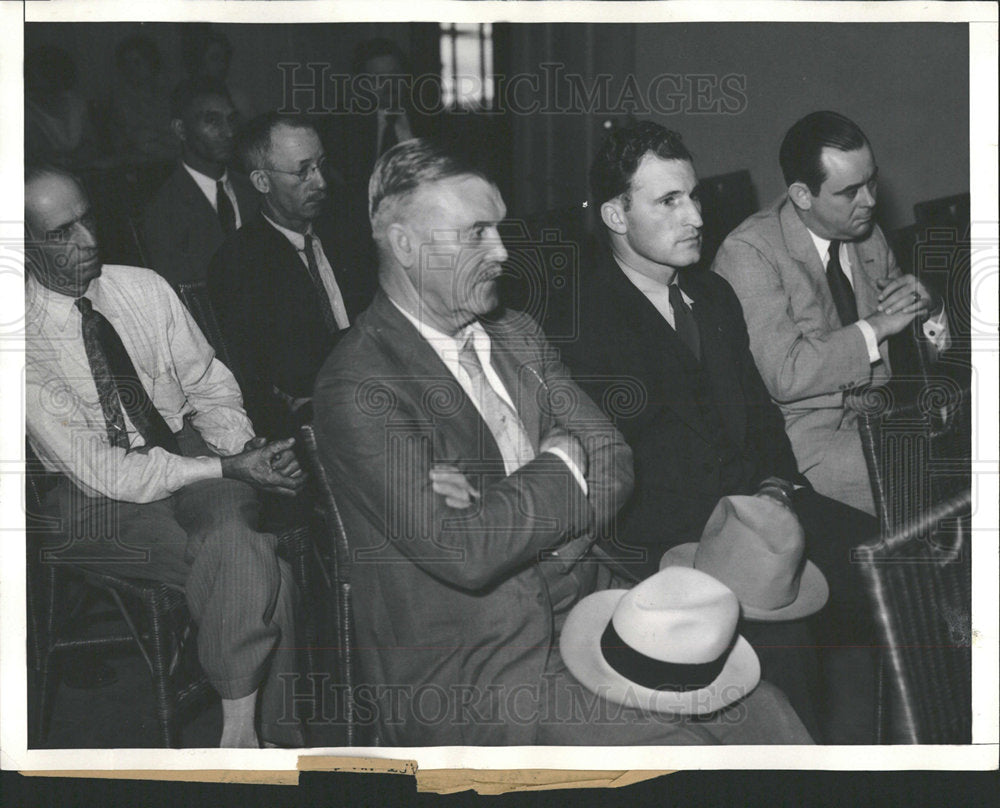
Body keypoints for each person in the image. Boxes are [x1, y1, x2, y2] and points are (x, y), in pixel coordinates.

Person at [311, 138, 814, 746]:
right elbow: (465, 548)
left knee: (769, 717)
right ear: (405, 244)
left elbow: (615, 458)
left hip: (594, 612)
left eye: (499, 229)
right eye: (476, 233)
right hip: (478, 668)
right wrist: (559, 461)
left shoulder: (515, 334)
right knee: (687, 751)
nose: (501, 252)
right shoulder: (360, 384)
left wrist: (525, 505)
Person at [539, 120, 879, 743]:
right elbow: (631, 479)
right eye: (668, 201)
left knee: (891, 561)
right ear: (616, 215)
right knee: (787, 646)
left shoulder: (713, 294)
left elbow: (761, 413)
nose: (695, 215)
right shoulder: (583, 324)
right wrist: (740, 541)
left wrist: (776, 493)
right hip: (670, 541)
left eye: (693, 195)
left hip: (762, 507)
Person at [25, 167, 306, 748]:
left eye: (88, 218)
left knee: (238, 551)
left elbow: (209, 384)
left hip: (187, 455)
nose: (88, 240)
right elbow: (101, 471)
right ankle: (270, 738)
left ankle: (239, 741)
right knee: (260, 565)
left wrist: (240, 447)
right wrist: (228, 469)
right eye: (62, 232)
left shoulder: (143, 287)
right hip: (88, 499)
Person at [712, 111, 950, 515]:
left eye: (871, 181)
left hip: (879, 419)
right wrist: (875, 327)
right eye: (850, 191)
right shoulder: (749, 253)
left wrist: (931, 308)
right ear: (803, 195)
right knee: (933, 472)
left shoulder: (867, 237)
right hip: (804, 444)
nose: (871, 201)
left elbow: (926, 357)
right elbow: (787, 375)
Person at [208, 113, 374, 438]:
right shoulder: (239, 263)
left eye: (321, 165)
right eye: (302, 172)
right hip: (317, 424)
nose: (321, 182)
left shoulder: (349, 231)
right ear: (261, 182)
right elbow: (289, 373)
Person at [142, 77, 257, 288]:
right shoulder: (162, 211)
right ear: (180, 129)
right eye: (212, 121)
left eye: (231, 119)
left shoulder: (255, 190)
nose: (229, 132)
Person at [109, 35, 178, 163]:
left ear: (151, 63)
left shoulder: (169, 95)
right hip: (139, 165)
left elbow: (177, 138)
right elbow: (128, 143)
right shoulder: (121, 101)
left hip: (172, 160)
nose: (132, 69)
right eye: (126, 64)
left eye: (137, 62)